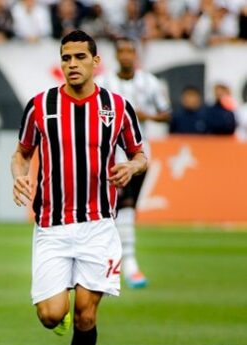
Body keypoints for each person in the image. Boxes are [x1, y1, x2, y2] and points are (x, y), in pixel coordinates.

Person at [11, 30, 147, 345]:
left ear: (95, 61)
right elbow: (20, 154)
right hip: (52, 227)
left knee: (87, 316)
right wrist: (20, 177)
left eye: (79, 57)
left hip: (98, 227)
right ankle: (59, 313)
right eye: (66, 57)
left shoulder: (117, 108)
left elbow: (141, 155)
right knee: (52, 315)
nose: (72, 64)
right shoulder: (41, 106)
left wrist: (130, 167)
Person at [96, 37, 171, 289]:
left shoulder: (149, 82)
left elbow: (166, 113)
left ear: (135, 55)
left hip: (140, 152)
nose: (126, 55)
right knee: (121, 206)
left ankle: (116, 265)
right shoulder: (103, 83)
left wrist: (145, 115)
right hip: (111, 153)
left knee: (127, 210)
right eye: (122, 51)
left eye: (130, 51)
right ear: (116, 55)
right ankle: (129, 266)